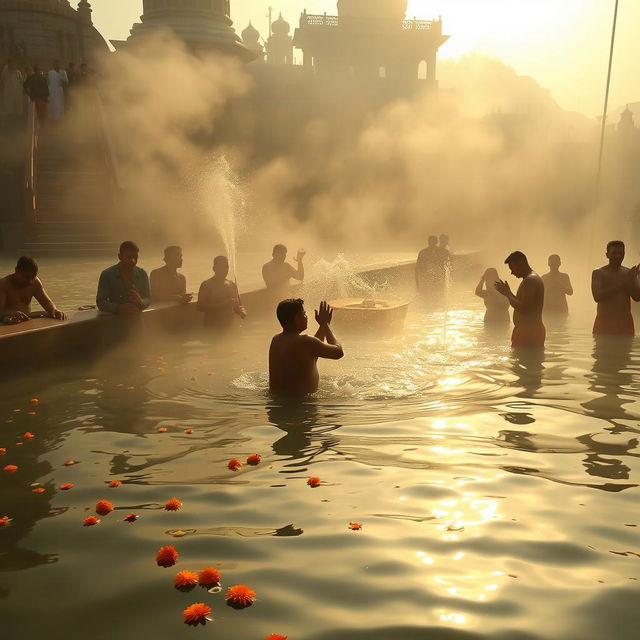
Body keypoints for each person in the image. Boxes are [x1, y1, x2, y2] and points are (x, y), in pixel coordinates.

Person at [269, 299, 344, 396]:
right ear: (297, 319)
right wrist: (325, 325)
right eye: (304, 314)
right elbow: (338, 352)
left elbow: (312, 350)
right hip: (302, 405)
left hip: (277, 401)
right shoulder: (306, 342)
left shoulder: (276, 340)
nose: (306, 317)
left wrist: (322, 326)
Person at [495, 251, 545, 348]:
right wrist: (508, 293)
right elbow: (523, 304)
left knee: (526, 362)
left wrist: (507, 293)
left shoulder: (530, 280)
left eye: (512, 268)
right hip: (528, 332)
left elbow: (524, 308)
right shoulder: (530, 279)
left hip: (529, 333)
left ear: (521, 264)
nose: (512, 272)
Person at [591, 240, 640, 336]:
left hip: (625, 324)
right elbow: (597, 296)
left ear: (624, 254)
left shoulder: (629, 273)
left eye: (621, 253)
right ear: (607, 255)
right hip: (604, 323)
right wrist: (623, 284)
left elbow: (637, 297)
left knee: (625, 349)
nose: (618, 256)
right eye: (614, 253)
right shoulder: (599, 273)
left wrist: (635, 280)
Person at [0, 256, 65, 323]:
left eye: (32, 277)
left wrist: (54, 310)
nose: (29, 281)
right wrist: (11, 313)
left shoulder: (35, 282)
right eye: (26, 277)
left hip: (27, 319)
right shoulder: (3, 284)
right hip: (6, 322)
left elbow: (46, 302)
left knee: (49, 314)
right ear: (17, 270)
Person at [96, 241, 150, 315]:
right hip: (115, 320)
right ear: (119, 256)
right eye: (129, 257)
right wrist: (118, 308)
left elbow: (148, 298)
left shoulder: (142, 274)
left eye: (135, 257)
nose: (133, 260)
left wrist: (141, 301)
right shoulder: (107, 274)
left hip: (137, 319)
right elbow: (101, 302)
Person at [197, 256, 246, 329]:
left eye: (226, 267)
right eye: (221, 267)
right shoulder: (207, 285)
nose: (225, 270)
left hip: (229, 326)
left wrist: (242, 311)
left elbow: (237, 306)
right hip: (212, 328)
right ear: (214, 269)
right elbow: (200, 307)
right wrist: (223, 304)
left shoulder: (232, 284)